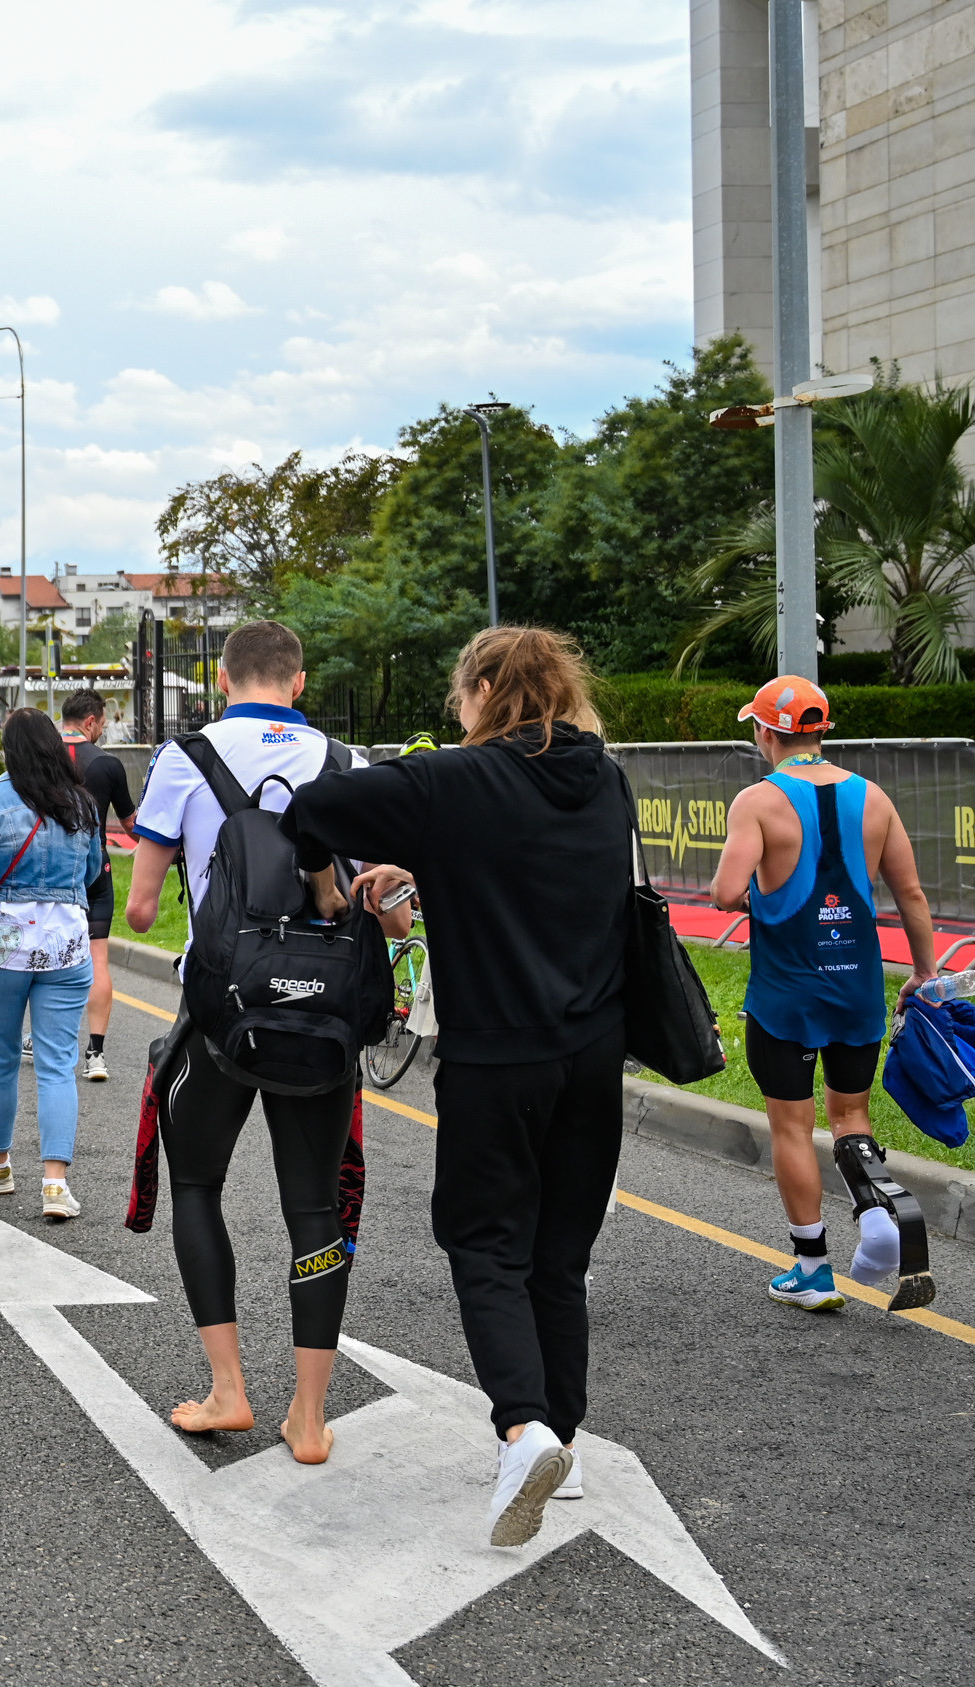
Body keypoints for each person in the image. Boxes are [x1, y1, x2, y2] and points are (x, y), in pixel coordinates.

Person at [279, 625, 630, 1547]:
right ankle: (566, 1435)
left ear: (481, 689)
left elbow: (311, 808)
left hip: (494, 1056)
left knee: (484, 1243)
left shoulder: (452, 782)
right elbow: (541, 880)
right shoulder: (605, 777)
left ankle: (522, 1429)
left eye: (461, 695)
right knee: (560, 1253)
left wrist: (334, 880)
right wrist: (433, 872)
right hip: (594, 1055)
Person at [126, 622, 409, 1469]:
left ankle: (227, 1388)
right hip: (324, 1014)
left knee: (199, 1183)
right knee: (315, 1206)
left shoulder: (187, 757)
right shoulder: (349, 763)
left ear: (220, 679)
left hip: (223, 1009)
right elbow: (392, 909)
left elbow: (139, 908)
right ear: (300, 679)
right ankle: (311, 1417)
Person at [711, 675, 941, 1312]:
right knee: (850, 1116)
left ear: (766, 732)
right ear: (819, 731)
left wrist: (768, 891)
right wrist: (924, 973)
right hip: (858, 989)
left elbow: (726, 894)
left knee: (792, 1124)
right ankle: (876, 1219)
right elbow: (912, 896)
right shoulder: (874, 798)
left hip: (787, 994)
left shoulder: (758, 800)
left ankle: (812, 1268)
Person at [0, 708, 109, 1221]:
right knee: (58, 1064)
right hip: (66, 944)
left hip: (1, 945)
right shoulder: (83, 805)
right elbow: (90, 875)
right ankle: (55, 1185)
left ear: (9, 752)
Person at [59, 690, 139, 1081]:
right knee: (98, 959)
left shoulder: (40, 758)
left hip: (49, 872)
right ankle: (95, 1054)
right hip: (94, 870)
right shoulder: (107, 764)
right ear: (90, 721)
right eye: (103, 723)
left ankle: (43, 1037)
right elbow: (130, 826)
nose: (102, 729)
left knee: (47, 954)